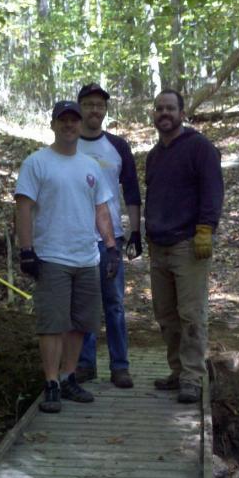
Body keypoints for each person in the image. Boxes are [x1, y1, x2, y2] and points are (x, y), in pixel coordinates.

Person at [15, 100, 119, 413]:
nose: (69, 125)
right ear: (53, 124)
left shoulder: (89, 166)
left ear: (79, 124)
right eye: (63, 120)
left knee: (79, 324)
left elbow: (101, 209)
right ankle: (51, 384)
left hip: (87, 257)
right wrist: (26, 250)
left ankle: (68, 376)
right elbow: (23, 207)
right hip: (52, 256)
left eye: (73, 120)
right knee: (52, 324)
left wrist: (111, 247)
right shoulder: (37, 162)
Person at [145, 89, 224, 403]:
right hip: (158, 244)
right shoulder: (154, 155)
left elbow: (213, 190)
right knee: (166, 315)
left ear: (182, 113)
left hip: (188, 245)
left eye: (170, 108)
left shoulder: (200, 148)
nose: (164, 113)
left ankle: (192, 377)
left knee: (191, 314)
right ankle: (177, 372)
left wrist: (206, 229)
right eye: (159, 109)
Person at [75, 83, 142, 389]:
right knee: (84, 303)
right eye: (88, 104)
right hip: (75, 237)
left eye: (100, 105)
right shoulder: (69, 144)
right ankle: (85, 363)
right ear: (80, 108)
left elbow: (131, 189)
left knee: (114, 303)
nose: (94, 110)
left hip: (110, 238)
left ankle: (120, 365)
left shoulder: (118, 146)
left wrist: (135, 231)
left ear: (105, 110)